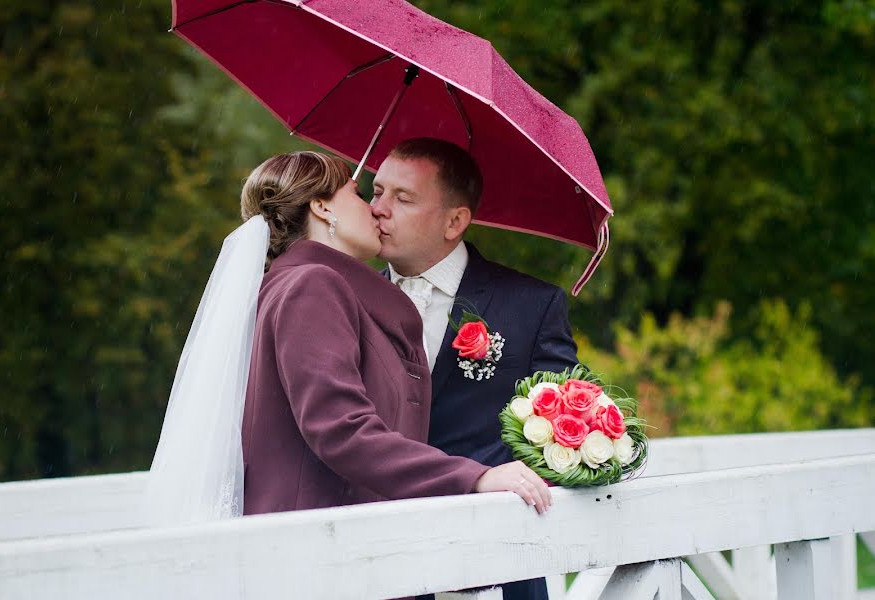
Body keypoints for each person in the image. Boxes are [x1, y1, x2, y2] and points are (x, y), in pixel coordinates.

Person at [143, 151, 551, 526]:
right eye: (360, 194)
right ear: (321, 208)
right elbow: (341, 429)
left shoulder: (301, 284)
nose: (374, 209)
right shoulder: (311, 286)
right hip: (320, 549)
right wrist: (474, 477)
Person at [372, 138, 581, 600]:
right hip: (378, 561)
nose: (379, 209)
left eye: (402, 198)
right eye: (376, 191)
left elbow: (569, 434)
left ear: (455, 221)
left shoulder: (532, 305)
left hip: (497, 568)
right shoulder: (346, 298)